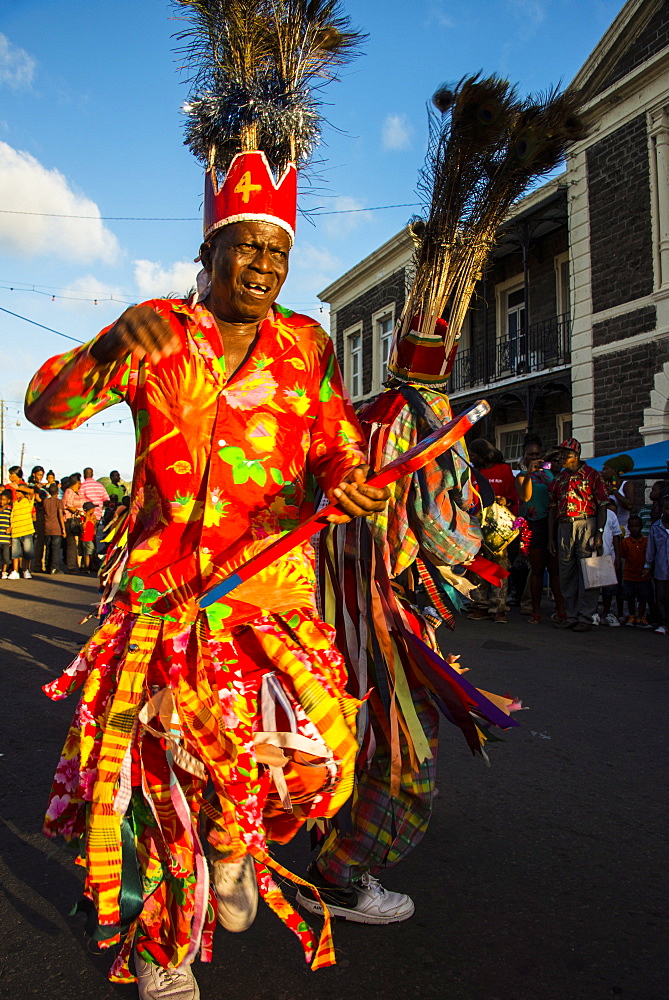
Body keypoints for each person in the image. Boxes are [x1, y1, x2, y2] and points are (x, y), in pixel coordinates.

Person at [24, 25, 389, 991]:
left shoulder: (306, 347)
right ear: (210, 247)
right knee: (151, 779)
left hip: (270, 598)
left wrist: (342, 480)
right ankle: (159, 955)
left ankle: (236, 842)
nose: (264, 267)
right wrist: (107, 348)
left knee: (320, 756)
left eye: (277, 250)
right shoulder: (160, 334)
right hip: (164, 601)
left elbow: (333, 441)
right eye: (246, 248)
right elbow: (44, 408)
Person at [298, 321, 517, 925]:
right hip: (388, 612)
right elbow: (444, 536)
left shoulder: (359, 414)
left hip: (327, 610)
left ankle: (326, 842)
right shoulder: (432, 420)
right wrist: (491, 540)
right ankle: (336, 878)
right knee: (403, 754)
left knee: (344, 731)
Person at [548, 438, 609, 632]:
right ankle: (571, 615)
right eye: (560, 454)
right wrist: (551, 537)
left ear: (575, 455)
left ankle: (586, 616)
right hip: (564, 526)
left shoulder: (592, 475)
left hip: (586, 523)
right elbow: (552, 508)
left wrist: (599, 532)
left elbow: (602, 506)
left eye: (564, 454)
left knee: (587, 571)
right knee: (567, 572)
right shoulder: (559, 479)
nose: (560, 457)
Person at [515, 434, 566, 624]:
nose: (534, 458)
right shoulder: (521, 477)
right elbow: (526, 497)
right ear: (524, 456)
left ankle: (561, 609)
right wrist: (529, 473)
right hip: (534, 524)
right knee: (537, 570)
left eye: (537, 454)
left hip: (552, 523)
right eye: (530, 455)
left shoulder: (550, 474)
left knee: (555, 570)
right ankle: (535, 611)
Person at [467, 438, 518, 623]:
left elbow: (513, 496)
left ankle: (499, 607)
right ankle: (479, 605)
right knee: (478, 565)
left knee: (499, 565)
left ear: (482, 454)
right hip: (476, 525)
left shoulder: (504, 470)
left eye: (474, 455)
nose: (472, 458)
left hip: (499, 526)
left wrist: (505, 501)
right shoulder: (473, 472)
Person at [620, 514, 652, 628]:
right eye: (632, 526)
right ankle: (632, 615)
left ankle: (641, 617)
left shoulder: (646, 541)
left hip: (643, 575)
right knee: (630, 597)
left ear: (641, 526)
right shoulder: (626, 542)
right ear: (628, 527)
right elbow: (623, 555)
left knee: (643, 597)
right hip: (629, 574)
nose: (634, 529)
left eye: (637, 526)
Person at [5, 466, 35, 579]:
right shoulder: (15, 503)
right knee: (15, 552)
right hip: (16, 529)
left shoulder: (27, 499)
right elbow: (12, 516)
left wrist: (19, 487)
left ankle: (26, 569)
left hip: (26, 528)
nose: (16, 493)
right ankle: (15, 570)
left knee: (27, 551)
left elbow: (31, 492)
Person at [645, 496, 669, 635]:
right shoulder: (656, 527)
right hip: (661, 569)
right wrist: (647, 565)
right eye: (666, 508)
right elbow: (651, 549)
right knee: (661, 597)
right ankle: (664, 623)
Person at [600, 498, 622, 627]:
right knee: (593, 588)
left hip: (608, 555)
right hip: (593, 556)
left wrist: (617, 557)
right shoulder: (591, 512)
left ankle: (607, 613)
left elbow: (616, 536)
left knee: (608, 589)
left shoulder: (611, 515)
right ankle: (593, 613)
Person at [601, 455, 635, 531]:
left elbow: (630, 506)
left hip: (623, 530)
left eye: (605, 469)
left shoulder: (626, 485)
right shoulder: (604, 487)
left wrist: (614, 491)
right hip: (607, 530)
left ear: (614, 470)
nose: (602, 472)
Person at [62, 472, 85, 573]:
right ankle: (71, 566)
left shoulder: (78, 492)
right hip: (70, 519)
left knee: (79, 543)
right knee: (71, 544)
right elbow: (68, 505)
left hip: (78, 519)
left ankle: (80, 564)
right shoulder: (69, 492)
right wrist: (78, 512)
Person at [43, 482, 66, 574]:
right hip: (56, 528)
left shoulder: (45, 501)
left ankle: (47, 566)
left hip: (47, 527)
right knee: (55, 549)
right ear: (57, 492)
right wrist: (63, 528)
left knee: (48, 548)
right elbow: (60, 515)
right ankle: (54, 567)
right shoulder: (58, 502)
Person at [29, 465, 48, 572]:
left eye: (42, 475)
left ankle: (38, 564)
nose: (41, 477)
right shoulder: (31, 486)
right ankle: (30, 565)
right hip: (33, 514)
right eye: (39, 474)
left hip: (41, 514)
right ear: (34, 474)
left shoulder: (42, 487)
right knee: (31, 541)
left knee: (40, 540)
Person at [80, 501, 98, 573]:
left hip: (92, 537)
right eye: (93, 508)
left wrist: (94, 521)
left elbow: (94, 527)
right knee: (88, 553)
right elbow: (83, 527)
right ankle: (86, 567)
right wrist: (87, 520)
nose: (94, 510)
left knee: (92, 552)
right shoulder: (83, 517)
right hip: (86, 537)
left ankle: (92, 566)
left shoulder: (92, 517)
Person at [0, 489, 12, 579]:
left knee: (6, 557)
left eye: (4, 500)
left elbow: (12, 523)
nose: (1, 501)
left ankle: (4, 572)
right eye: (0, 499)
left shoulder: (9, 512)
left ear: (8, 501)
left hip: (5, 539)